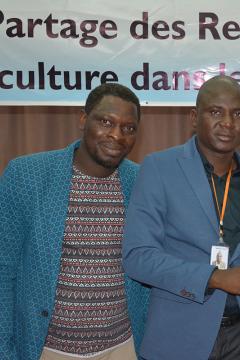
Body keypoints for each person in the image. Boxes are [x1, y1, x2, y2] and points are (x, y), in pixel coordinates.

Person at [123, 75, 240, 360]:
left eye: (238, 114)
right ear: (194, 117)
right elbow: (138, 257)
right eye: (215, 112)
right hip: (179, 335)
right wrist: (216, 278)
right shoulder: (159, 168)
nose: (228, 123)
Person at [0, 83, 150, 360]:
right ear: (83, 120)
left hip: (122, 347)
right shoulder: (27, 175)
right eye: (106, 122)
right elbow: (3, 269)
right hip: (45, 349)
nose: (117, 135)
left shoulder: (141, 182)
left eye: (129, 128)